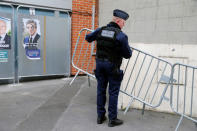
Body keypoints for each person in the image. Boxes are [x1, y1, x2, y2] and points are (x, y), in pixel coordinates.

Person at [85, 9, 132, 127]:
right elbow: (128, 55)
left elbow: (88, 38)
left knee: (101, 90)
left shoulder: (101, 30)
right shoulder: (121, 35)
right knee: (113, 92)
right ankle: (112, 119)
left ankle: (100, 117)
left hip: (100, 65)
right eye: (123, 23)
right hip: (112, 66)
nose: (123, 25)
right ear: (118, 21)